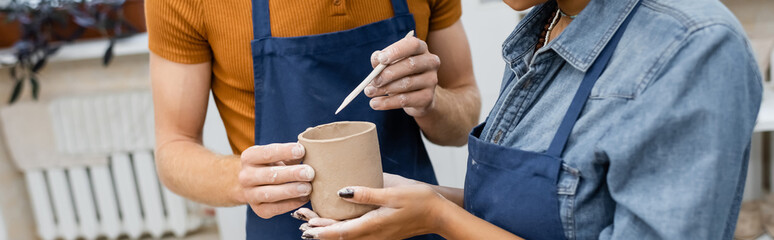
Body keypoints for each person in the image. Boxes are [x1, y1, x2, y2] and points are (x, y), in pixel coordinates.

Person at [295, 0, 764, 239]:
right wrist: (425, 198)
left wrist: (438, 218)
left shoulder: (691, 47)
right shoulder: (546, 22)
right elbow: (560, 207)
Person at [145, 0, 480, 239]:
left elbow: (465, 119)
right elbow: (175, 147)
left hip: (412, 226)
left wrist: (430, 102)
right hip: (286, 228)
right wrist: (240, 179)